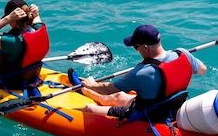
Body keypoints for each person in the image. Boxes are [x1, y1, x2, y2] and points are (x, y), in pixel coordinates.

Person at [78, 24, 207, 122]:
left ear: (145, 47)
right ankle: (85, 91)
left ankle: (86, 89)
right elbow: (202, 70)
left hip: (149, 114)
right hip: (173, 107)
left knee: (90, 109)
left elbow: (108, 89)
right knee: (118, 97)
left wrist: (92, 84)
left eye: (136, 47)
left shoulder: (142, 72)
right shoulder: (183, 54)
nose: (136, 50)